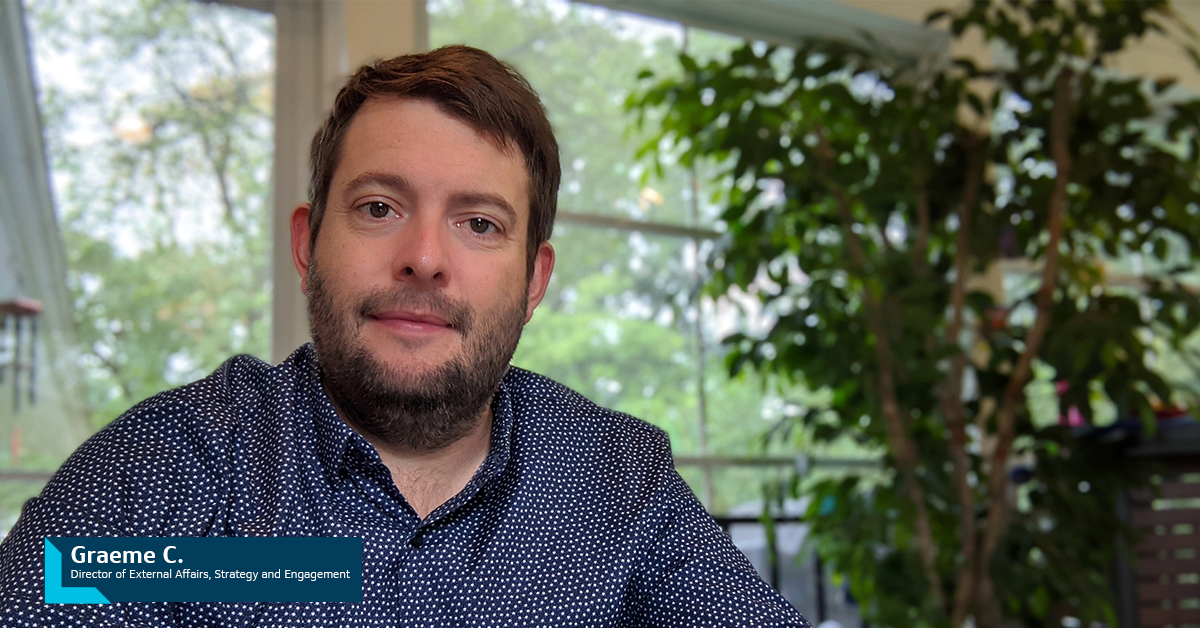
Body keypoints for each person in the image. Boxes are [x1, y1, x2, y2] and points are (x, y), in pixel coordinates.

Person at [0, 45, 810, 627]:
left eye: (479, 222)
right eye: (379, 208)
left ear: (534, 281)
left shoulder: (619, 484)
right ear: (306, 246)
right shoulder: (165, 471)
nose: (424, 258)